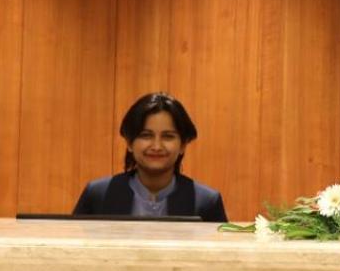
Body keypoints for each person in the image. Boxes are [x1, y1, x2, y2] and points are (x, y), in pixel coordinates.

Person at [73, 92, 227, 221]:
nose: (156, 146)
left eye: (168, 136)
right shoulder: (99, 194)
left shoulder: (206, 201)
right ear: (129, 143)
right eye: (146, 135)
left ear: (183, 145)